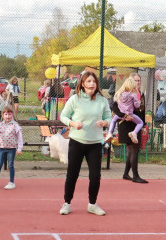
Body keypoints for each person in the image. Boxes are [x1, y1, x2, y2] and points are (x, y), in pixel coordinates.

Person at [59, 69, 111, 215]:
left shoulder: (102, 100)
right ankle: (67, 203)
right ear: (82, 84)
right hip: (77, 142)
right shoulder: (75, 99)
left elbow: (109, 117)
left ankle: (92, 204)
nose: (91, 83)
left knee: (95, 176)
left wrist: (105, 122)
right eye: (88, 81)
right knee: (72, 175)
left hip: (95, 143)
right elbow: (63, 116)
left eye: (94, 81)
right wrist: (72, 124)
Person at [112, 72, 148, 183]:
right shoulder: (122, 93)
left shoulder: (140, 94)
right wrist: (124, 116)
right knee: (134, 149)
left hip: (136, 123)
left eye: (139, 81)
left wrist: (144, 125)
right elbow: (114, 108)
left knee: (133, 149)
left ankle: (126, 174)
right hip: (125, 124)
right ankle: (135, 176)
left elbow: (142, 111)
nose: (138, 83)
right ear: (130, 82)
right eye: (136, 81)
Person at [0, 107, 23, 190]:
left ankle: (11, 182)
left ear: (12, 115)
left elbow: (20, 138)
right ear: (3, 115)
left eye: (9, 114)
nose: (8, 116)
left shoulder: (15, 125)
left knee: (10, 165)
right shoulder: (0, 125)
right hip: (2, 148)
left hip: (11, 149)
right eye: (6, 114)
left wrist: (19, 148)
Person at [107, 74, 144, 145]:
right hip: (130, 115)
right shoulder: (133, 95)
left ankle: (110, 133)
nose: (137, 83)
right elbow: (137, 106)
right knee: (140, 123)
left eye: (139, 81)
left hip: (120, 115)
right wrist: (138, 102)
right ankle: (134, 133)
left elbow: (115, 103)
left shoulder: (119, 94)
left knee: (113, 121)